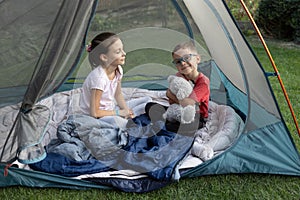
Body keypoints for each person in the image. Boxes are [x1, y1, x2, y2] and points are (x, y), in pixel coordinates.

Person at [80, 32, 151, 128]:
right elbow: (94, 113)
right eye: (118, 52)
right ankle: (132, 122)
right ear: (104, 57)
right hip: (98, 117)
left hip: (111, 108)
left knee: (148, 101)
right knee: (122, 123)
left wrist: (126, 112)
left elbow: (118, 94)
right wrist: (119, 113)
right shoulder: (99, 79)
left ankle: (133, 119)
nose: (124, 53)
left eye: (123, 49)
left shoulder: (118, 70)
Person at [145, 40, 210, 133]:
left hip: (196, 116)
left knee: (190, 126)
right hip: (177, 112)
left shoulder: (203, 82)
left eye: (187, 58)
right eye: (178, 61)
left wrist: (170, 95)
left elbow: (189, 104)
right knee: (150, 106)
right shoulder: (180, 76)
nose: (183, 63)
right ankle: (166, 123)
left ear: (198, 59)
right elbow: (171, 90)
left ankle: (164, 125)